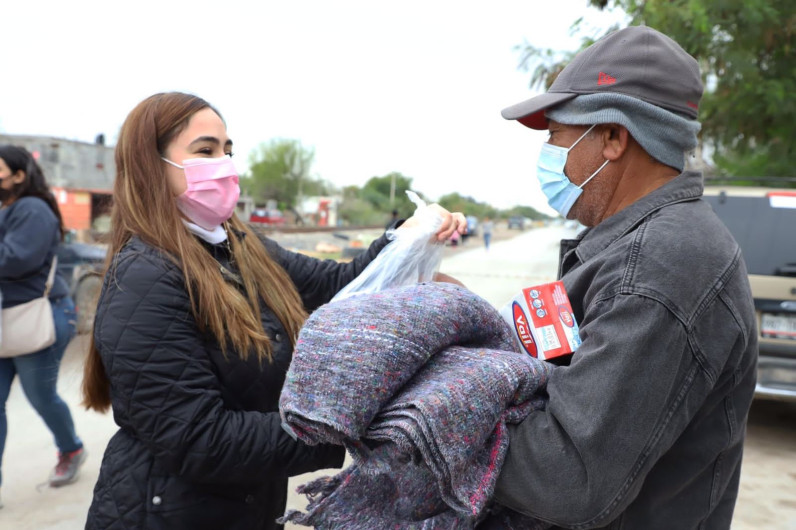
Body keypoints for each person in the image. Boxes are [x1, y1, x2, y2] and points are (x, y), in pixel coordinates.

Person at [81, 92, 466, 530]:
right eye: (205, 151)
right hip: (165, 513)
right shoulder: (146, 276)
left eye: (227, 150)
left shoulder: (240, 246)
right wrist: (343, 424)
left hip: (248, 504)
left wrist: (408, 238)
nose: (224, 164)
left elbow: (334, 286)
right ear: (151, 165)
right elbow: (198, 438)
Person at [488, 26, 757, 529]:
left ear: (612, 138)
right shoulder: (631, 247)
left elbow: (568, 477)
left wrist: (432, 417)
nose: (549, 156)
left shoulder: (660, 267)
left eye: (556, 137)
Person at [0, 145, 86, 507]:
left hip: (40, 318)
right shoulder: (6, 209)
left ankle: (71, 449)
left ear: (18, 175)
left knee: (41, 396)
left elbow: (16, 259)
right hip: (6, 320)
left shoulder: (33, 208)